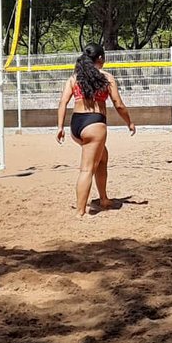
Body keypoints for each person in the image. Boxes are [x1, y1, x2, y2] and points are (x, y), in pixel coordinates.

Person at [56, 43, 136, 217]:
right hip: (94, 124)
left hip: (76, 124)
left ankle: (104, 199)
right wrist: (129, 122)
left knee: (102, 157)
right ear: (100, 58)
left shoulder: (74, 78)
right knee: (87, 169)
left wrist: (60, 127)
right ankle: (80, 211)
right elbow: (118, 104)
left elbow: (63, 102)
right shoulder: (106, 77)